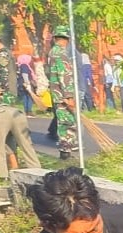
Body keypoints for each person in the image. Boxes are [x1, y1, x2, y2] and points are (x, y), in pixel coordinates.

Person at [47, 26, 77, 158]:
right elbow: (63, 75)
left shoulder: (52, 52)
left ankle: (66, 151)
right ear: (67, 40)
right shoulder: (60, 54)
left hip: (56, 94)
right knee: (67, 124)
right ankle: (65, 154)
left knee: (63, 123)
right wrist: (69, 96)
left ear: (54, 38)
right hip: (63, 96)